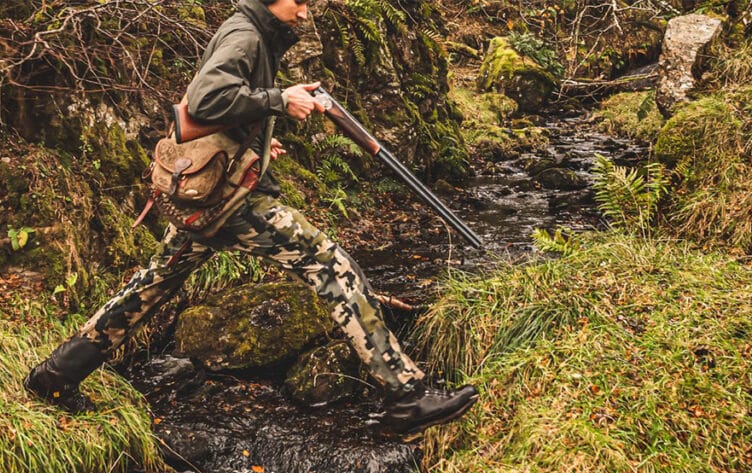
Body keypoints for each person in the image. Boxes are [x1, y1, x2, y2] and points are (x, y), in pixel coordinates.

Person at [24, 0, 478, 435]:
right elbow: (205, 102)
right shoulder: (245, 36)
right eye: (297, 1)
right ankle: (406, 395)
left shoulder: (253, 31)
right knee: (330, 264)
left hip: (209, 194)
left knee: (154, 283)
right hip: (230, 202)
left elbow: (229, 109)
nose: (304, 11)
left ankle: (54, 375)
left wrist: (256, 143)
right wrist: (280, 99)